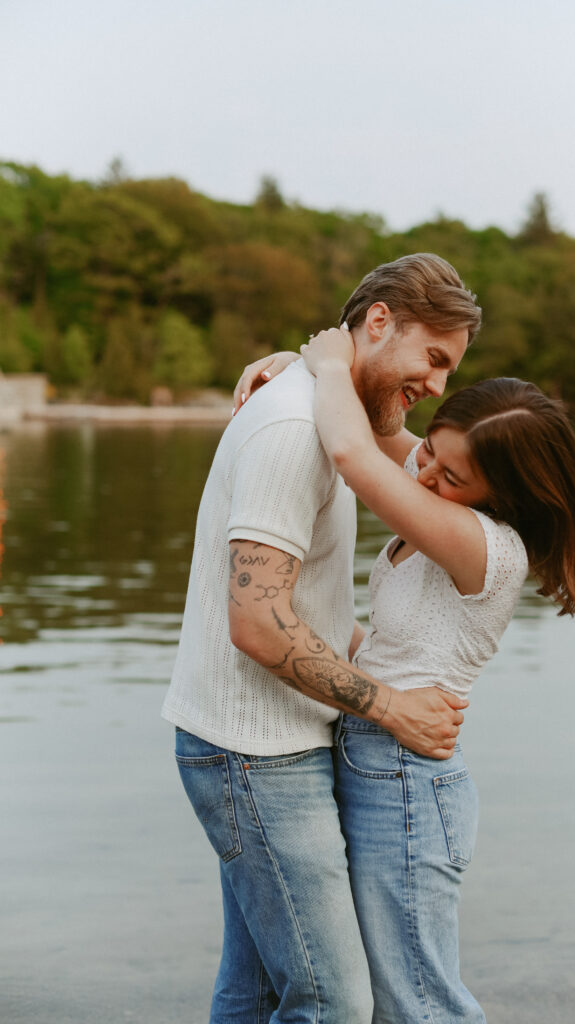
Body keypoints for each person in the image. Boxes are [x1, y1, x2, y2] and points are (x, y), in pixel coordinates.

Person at [240, 328, 575, 1023]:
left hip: (405, 782)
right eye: (432, 451)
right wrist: (299, 369)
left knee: (418, 1002)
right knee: (390, 997)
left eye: (451, 475)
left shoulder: (482, 544)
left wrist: (327, 365)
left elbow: (353, 453)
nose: (425, 473)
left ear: (504, 493)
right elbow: (376, 427)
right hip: (378, 758)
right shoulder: (443, 490)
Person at [161, 253, 483, 1023]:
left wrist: (308, 362)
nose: (438, 384)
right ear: (378, 322)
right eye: (432, 357)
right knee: (332, 1001)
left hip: (265, 741)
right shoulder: (292, 429)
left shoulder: (329, 411)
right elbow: (256, 620)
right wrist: (393, 708)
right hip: (253, 754)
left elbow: (302, 599)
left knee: (260, 990)